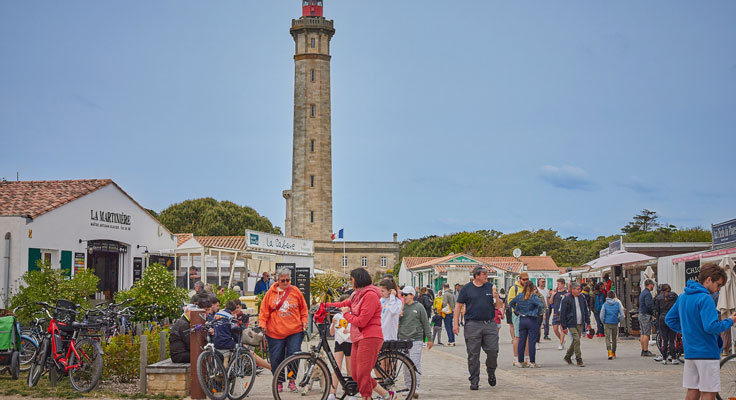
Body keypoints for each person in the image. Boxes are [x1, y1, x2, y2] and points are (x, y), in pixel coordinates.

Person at [666, 263, 736, 400]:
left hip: (690, 352)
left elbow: (670, 319)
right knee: (709, 392)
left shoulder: (683, 296)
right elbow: (711, 327)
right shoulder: (705, 298)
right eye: (718, 285)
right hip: (707, 352)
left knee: (693, 390)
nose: (718, 290)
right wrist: (730, 321)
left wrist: (688, 331)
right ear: (709, 280)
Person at [328, 268, 394, 400]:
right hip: (358, 337)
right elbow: (343, 303)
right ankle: (386, 395)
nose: (350, 282)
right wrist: (324, 306)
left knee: (363, 373)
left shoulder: (370, 295)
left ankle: (366, 397)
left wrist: (346, 314)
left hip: (370, 336)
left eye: (351, 279)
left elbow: (362, 321)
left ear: (357, 279)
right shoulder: (356, 294)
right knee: (357, 374)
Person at [258, 267, 309, 392]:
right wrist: (262, 325)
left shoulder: (295, 291)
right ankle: (279, 381)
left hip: (294, 330)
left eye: (288, 280)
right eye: (283, 280)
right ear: (277, 280)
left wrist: (304, 321)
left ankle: (292, 380)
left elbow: (304, 308)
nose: (286, 283)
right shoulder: (270, 293)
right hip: (275, 332)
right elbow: (264, 311)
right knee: (276, 358)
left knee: (294, 354)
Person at [453, 265, 502, 391]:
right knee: (473, 355)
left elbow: (499, 306)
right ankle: (474, 379)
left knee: (493, 350)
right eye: (484, 274)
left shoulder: (490, 287)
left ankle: (491, 371)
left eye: (487, 273)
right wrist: (455, 324)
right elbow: (458, 306)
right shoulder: (467, 289)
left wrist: (496, 297)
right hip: (472, 325)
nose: (487, 276)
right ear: (477, 276)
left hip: (489, 324)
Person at [398, 286, 432, 396]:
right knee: (405, 365)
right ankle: (408, 387)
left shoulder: (419, 307)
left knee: (414, 363)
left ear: (412, 295)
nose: (404, 297)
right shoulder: (401, 307)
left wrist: (429, 338)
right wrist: (400, 310)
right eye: (403, 295)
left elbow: (426, 323)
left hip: (416, 339)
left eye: (406, 295)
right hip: (403, 338)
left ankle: (415, 387)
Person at [510, 280, 544, 368]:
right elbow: (540, 305)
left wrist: (517, 310)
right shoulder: (533, 296)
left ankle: (520, 361)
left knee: (521, 341)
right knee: (532, 341)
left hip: (522, 319)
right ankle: (531, 362)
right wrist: (537, 312)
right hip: (532, 319)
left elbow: (511, 303)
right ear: (533, 288)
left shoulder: (520, 296)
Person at [559, 282, 591, 367]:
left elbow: (585, 310)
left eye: (579, 289)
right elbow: (563, 313)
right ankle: (578, 359)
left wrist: (588, 322)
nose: (579, 291)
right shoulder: (566, 299)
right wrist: (564, 326)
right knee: (576, 339)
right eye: (577, 289)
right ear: (572, 290)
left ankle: (568, 356)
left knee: (576, 340)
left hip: (580, 322)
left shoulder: (582, 298)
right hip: (571, 323)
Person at [328, 295, 353, 400]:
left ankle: (352, 392)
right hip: (339, 342)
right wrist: (333, 324)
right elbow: (331, 332)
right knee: (336, 368)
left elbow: (356, 330)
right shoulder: (337, 316)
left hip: (349, 342)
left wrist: (349, 332)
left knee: (350, 369)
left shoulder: (352, 315)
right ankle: (332, 393)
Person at [653, 283, 679, 364]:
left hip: (662, 319)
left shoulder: (658, 298)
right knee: (672, 340)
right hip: (672, 319)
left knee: (664, 339)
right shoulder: (674, 296)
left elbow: (656, 310)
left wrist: (657, 321)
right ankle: (673, 358)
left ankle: (664, 359)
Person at [507, 272, 529, 366]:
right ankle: (515, 358)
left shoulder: (528, 288)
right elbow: (510, 301)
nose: (525, 281)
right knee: (518, 337)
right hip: (517, 315)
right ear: (519, 279)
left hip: (528, 314)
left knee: (527, 337)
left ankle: (526, 358)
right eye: (524, 280)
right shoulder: (514, 288)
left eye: (527, 279)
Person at [600, 290, 625, 360]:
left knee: (607, 338)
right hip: (615, 322)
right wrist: (618, 320)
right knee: (614, 338)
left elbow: (601, 315)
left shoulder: (604, 304)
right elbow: (622, 315)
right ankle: (614, 352)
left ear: (607, 296)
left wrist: (603, 321)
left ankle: (609, 351)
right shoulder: (617, 304)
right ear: (614, 296)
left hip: (607, 322)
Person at [639, 279, 656, 357]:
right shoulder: (648, 294)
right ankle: (645, 350)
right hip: (646, 315)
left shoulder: (642, 293)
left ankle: (643, 349)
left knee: (642, 333)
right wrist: (652, 313)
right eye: (653, 285)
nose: (653, 286)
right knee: (646, 333)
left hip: (641, 314)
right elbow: (648, 305)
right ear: (650, 284)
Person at [550, 278, 568, 350]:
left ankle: (561, 343)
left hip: (563, 313)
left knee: (562, 328)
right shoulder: (555, 293)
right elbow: (551, 302)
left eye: (559, 284)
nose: (558, 285)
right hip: (556, 312)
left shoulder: (566, 293)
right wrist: (552, 295)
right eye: (557, 284)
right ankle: (562, 340)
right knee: (555, 329)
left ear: (563, 284)